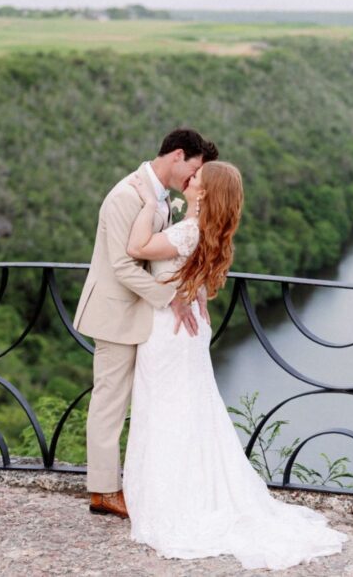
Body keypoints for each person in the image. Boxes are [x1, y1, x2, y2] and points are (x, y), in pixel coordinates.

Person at [121, 160, 347, 571]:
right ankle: (186, 491)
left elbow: (136, 248)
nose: (190, 180)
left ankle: (172, 501)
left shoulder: (189, 230)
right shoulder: (204, 230)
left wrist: (145, 202)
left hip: (169, 333)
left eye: (197, 180)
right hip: (185, 329)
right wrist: (191, 296)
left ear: (204, 194)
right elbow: (195, 282)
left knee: (168, 413)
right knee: (189, 413)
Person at [74, 128, 218, 518]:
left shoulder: (162, 197)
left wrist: (192, 293)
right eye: (194, 169)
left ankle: (151, 483)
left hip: (147, 318)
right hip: (118, 314)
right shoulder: (126, 195)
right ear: (177, 156)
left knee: (155, 404)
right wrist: (172, 298)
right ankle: (103, 491)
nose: (193, 178)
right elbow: (123, 265)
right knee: (110, 404)